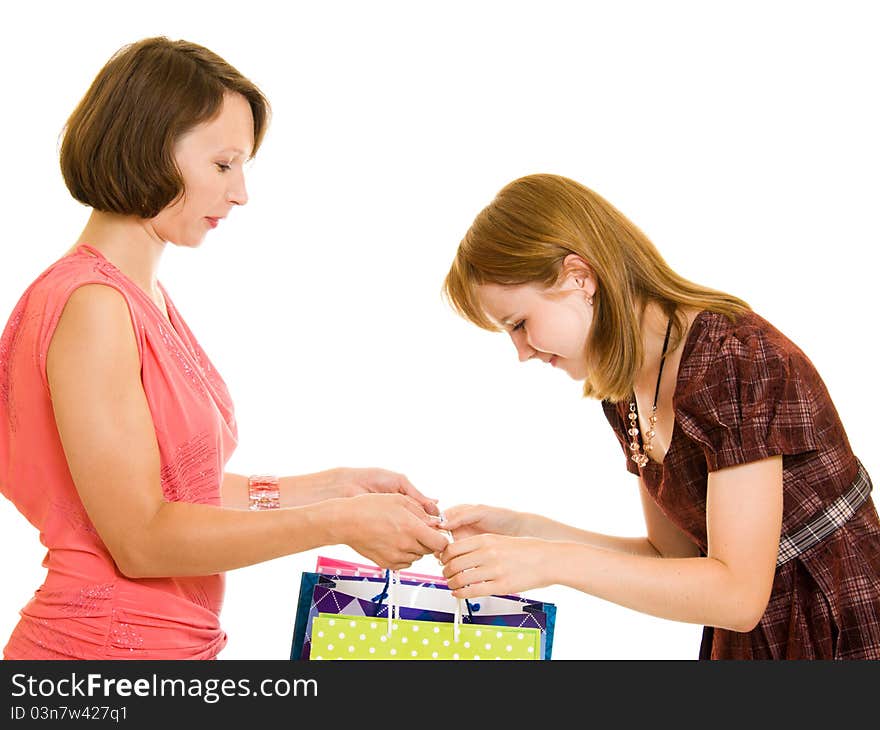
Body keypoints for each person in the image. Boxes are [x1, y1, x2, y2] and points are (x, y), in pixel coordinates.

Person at [0, 36, 448, 660]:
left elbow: (181, 494)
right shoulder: (93, 306)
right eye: (223, 164)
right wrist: (339, 525)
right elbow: (142, 539)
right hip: (97, 657)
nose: (240, 193)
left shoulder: (137, 294)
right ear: (150, 149)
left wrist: (333, 487)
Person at [437, 173, 880, 659]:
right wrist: (525, 531)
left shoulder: (734, 361)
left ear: (579, 277)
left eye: (519, 324)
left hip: (838, 623)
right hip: (756, 640)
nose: (521, 352)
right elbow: (670, 558)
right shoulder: (625, 389)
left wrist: (551, 561)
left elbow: (737, 594)